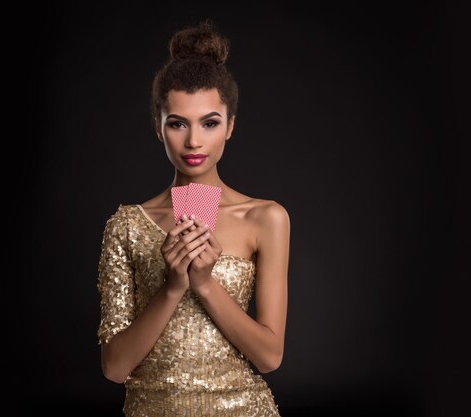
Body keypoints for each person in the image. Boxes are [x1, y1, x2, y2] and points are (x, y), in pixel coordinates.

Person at [96, 20, 290, 416]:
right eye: (178, 123)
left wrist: (204, 285)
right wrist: (172, 288)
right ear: (158, 127)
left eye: (210, 122)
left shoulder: (265, 218)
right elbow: (115, 368)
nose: (194, 142)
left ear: (230, 126)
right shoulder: (128, 225)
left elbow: (270, 358)